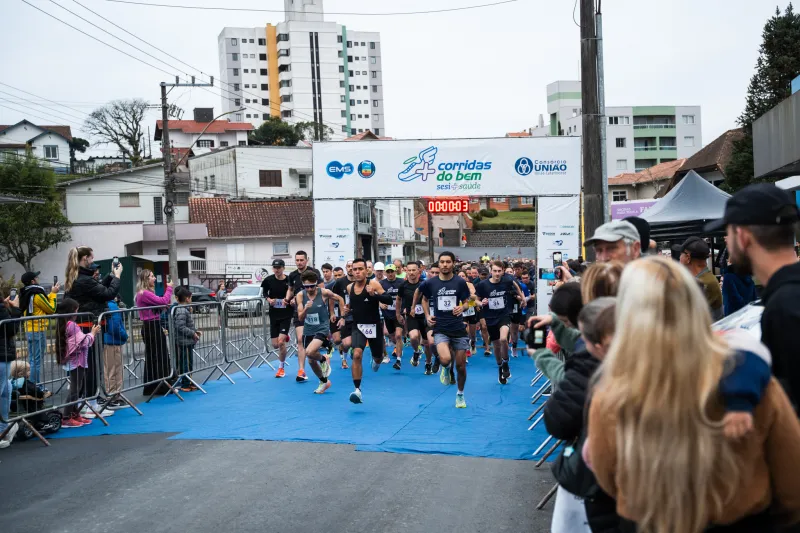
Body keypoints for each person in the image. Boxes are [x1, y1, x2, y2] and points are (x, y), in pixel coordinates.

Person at [585, 257, 800, 533]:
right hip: (741, 521)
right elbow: (792, 482)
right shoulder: (751, 381)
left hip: (648, 522)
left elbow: (607, 476)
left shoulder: (612, 393)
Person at [705, 183, 800, 412]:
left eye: (726, 233)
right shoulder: (785, 297)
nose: (726, 242)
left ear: (743, 236)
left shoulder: (784, 307)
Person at [64, 246, 121, 418]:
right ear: (84, 259)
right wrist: (117, 277)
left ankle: (85, 402)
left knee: (86, 365)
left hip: (84, 326)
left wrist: (111, 275)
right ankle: (90, 403)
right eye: (90, 258)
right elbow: (107, 294)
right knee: (90, 366)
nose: (92, 262)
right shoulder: (83, 280)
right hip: (88, 327)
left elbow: (97, 291)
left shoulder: (77, 278)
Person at [420, 252, 474, 408]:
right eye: (442, 262)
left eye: (448, 262)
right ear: (438, 263)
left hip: (458, 328)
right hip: (441, 327)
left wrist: (462, 307)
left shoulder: (459, 282)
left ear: (452, 264)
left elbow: (468, 302)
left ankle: (460, 394)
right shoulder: (431, 283)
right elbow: (424, 299)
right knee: (445, 359)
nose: (444, 265)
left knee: (461, 367)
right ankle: (444, 368)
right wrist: (427, 315)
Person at [346, 258, 395, 404]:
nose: (357, 272)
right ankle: (357, 390)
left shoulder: (373, 283)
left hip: (374, 327)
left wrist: (375, 295)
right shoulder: (350, 288)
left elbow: (389, 300)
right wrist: (347, 309)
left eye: (360, 269)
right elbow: (354, 304)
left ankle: (377, 360)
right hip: (358, 326)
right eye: (355, 269)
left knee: (378, 357)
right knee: (357, 354)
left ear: (367, 271)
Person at [476, 261, 525, 385]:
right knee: (496, 346)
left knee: (503, 339)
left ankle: (506, 362)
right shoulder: (483, 285)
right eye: (495, 271)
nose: (497, 273)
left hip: (504, 315)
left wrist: (522, 298)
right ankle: (500, 367)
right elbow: (475, 300)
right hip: (490, 318)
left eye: (499, 271)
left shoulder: (507, 281)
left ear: (502, 271)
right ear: (490, 271)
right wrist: (481, 303)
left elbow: (516, 285)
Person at [296, 270, 343, 395]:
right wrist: (306, 308)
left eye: (312, 286)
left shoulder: (324, 292)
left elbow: (340, 299)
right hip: (308, 329)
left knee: (309, 352)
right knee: (311, 360)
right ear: (303, 285)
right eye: (307, 286)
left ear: (316, 284)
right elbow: (300, 318)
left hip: (322, 327)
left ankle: (323, 359)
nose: (310, 289)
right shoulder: (300, 295)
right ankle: (324, 381)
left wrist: (342, 316)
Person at [57, 298, 101, 428]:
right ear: (71, 311)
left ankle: (74, 414)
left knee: (78, 388)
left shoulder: (66, 324)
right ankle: (66, 416)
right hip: (76, 360)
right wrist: (92, 333)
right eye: (76, 310)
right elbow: (84, 342)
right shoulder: (72, 326)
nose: (77, 313)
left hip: (76, 360)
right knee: (75, 390)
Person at [134, 269, 175, 397]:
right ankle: (160, 386)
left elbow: (160, 305)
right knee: (159, 356)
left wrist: (163, 305)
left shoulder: (145, 293)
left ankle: (156, 385)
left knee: (155, 356)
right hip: (151, 326)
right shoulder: (144, 293)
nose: (154, 278)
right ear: (146, 279)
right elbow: (163, 301)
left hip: (152, 325)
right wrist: (169, 289)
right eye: (152, 276)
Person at [20, 271, 58, 393]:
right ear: (32, 281)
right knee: (36, 361)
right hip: (38, 330)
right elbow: (51, 309)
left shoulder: (25, 293)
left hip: (29, 330)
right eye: (36, 277)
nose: (38, 278)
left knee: (32, 359)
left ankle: (32, 385)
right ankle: (34, 387)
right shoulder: (37, 294)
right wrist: (53, 294)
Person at [287, 251, 321, 383]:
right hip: (299, 311)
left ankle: (321, 358)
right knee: (300, 340)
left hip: (315, 312)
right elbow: (290, 289)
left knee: (313, 343)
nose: (299, 262)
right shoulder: (292, 275)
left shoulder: (314, 272)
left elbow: (321, 289)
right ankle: (301, 370)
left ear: (307, 260)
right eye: (297, 260)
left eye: (302, 260)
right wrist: (288, 298)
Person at [396, 261, 432, 371]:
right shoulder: (403, 285)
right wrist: (398, 314)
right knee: (413, 337)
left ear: (419, 271)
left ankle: (428, 363)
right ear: (406, 271)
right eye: (409, 270)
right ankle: (416, 351)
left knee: (427, 343)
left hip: (426, 316)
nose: (411, 272)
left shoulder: (425, 284)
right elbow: (398, 299)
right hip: (412, 316)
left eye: (414, 270)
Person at [262, 259, 293, 378]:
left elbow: (293, 292)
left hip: (286, 313)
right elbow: (264, 293)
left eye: (279, 267)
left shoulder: (289, 280)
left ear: (283, 268)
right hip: (274, 314)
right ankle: (285, 336)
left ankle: (281, 368)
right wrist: (269, 300)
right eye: (275, 267)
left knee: (280, 343)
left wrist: (290, 300)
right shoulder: (268, 280)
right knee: (275, 345)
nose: (277, 270)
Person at [679, 236, 723, 321]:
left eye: (681, 254)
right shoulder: (703, 279)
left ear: (688, 258)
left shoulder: (704, 283)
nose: (679, 257)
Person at [0, 288, 22, 447]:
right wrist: (15, 309)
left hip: (3, 355)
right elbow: (10, 329)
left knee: (6, 389)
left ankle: (3, 428)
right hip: (1, 355)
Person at [102, 295, 130, 409]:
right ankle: (113, 396)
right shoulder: (112, 306)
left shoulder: (107, 304)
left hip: (109, 340)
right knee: (114, 369)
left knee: (112, 369)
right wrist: (124, 335)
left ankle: (114, 394)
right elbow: (115, 326)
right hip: (113, 341)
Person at [173, 286, 200, 393]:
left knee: (188, 362)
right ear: (187, 299)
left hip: (187, 341)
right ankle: (185, 383)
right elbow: (180, 326)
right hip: (184, 341)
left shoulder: (183, 310)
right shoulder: (181, 310)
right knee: (186, 362)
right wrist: (193, 333)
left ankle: (189, 380)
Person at [380, 264, 405, 369]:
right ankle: (399, 345)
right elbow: (375, 296)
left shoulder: (402, 282)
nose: (390, 274)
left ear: (396, 271)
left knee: (399, 335)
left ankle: (398, 360)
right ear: (385, 273)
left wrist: (406, 308)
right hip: (387, 314)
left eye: (392, 271)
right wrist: (380, 304)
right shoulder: (381, 283)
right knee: (392, 336)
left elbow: (407, 295)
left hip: (398, 313)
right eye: (388, 272)